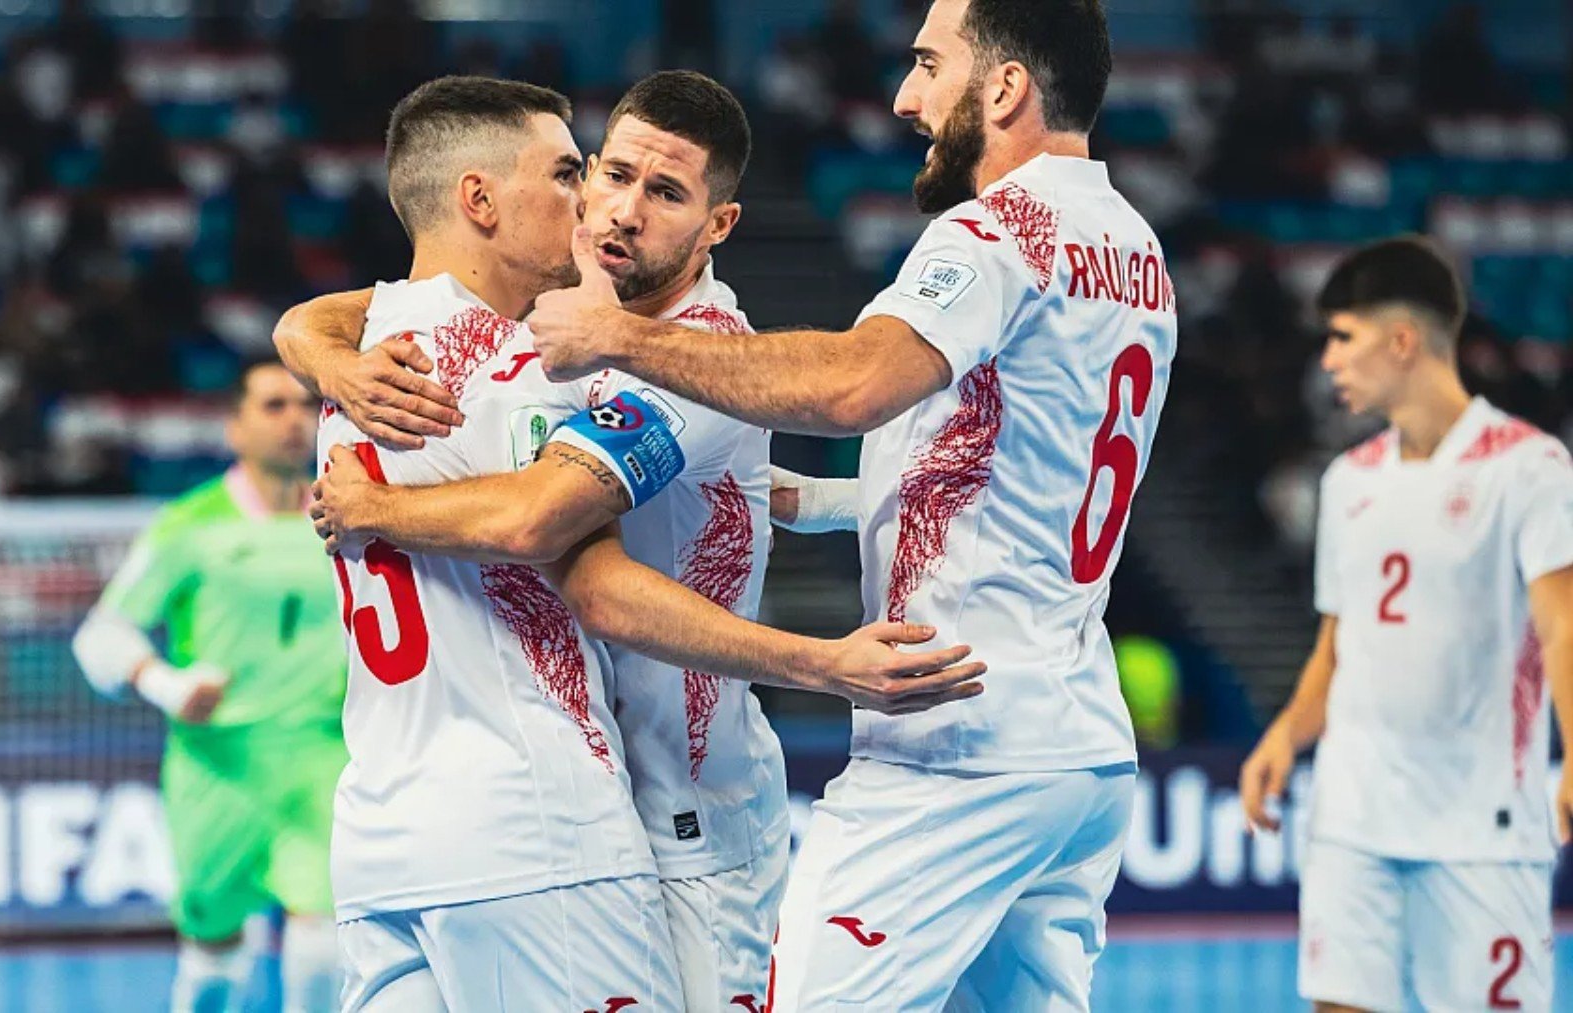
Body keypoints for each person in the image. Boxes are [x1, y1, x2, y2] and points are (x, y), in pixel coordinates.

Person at [509, 0, 1171, 1003]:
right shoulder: (1135, 249)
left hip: (955, 739)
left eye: (928, 65)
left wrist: (620, 337)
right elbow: (1008, 465)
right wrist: (808, 499)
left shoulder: (1000, 230)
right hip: (1076, 741)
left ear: (1004, 88)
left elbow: (852, 386)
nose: (907, 99)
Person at [313, 75, 985, 1012]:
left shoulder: (694, 356)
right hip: (563, 812)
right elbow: (367, 306)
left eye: (664, 194)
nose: (618, 211)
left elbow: (548, 530)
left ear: (719, 225)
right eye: (606, 173)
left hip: (691, 824)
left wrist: (369, 501)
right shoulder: (538, 330)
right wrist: (317, 343)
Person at [284, 70, 790, 1013]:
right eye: (583, 174)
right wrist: (826, 665)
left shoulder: (375, 357)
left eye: (663, 192)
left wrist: (310, 349)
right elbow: (550, 535)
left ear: (717, 223)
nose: (598, 210)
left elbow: (338, 313)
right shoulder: (530, 375)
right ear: (480, 199)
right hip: (542, 825)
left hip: (385, 836)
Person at [1239, 237, 1573, 1012]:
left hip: (1481, 828)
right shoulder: (1348, 481)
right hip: (1354, 819)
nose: (1328, 361)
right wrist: (1285, 735)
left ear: (1402, 340)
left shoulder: (1528, 467)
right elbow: (1336, 648)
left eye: (1344, 337)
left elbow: (1562, 627)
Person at [71, 358, 344, 1013]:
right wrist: (165, 682)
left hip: (324, 759)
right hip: (217, 770)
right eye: (273, 406)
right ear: (234, 428)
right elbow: (102, 634)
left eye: (306, 405)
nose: (294, 420)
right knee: (213, 954)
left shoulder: (349, 515)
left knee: (326, 942)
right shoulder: (190, 524)